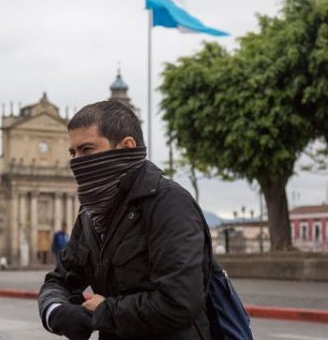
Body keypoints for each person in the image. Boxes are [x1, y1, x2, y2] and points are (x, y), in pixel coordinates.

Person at [38, 101, 212, 340]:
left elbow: (179, 302)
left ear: (126, 147)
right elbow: (60, 279)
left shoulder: (169, 203)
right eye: (73, 152)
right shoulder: (91, 214)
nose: (77, 162)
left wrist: (104, 312)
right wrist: (55, 311)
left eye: (87, 150)